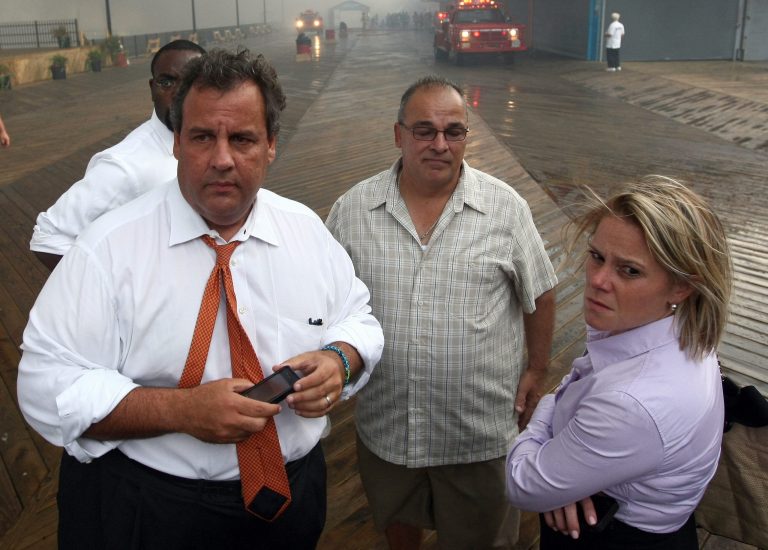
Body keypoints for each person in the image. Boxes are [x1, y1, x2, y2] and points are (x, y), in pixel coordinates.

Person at [18, 49, 384, 550]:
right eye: (202, 136)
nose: (222, 159)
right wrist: (180, 411)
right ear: (175, 143)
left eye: (243, 138)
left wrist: (340, 357)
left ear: (271, 145)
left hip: (291, 498)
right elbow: (45, 383)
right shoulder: (107, 248)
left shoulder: (306, 231)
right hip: (152, 510)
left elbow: (357, 317)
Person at [326, 75, 557, 550]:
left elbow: (541, 292)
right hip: (389, 426)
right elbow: (325, 299)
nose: (439, 144)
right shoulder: (353, 210)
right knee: (397, 526)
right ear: (398, 135)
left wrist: (537, 367)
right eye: (424, 130)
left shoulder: (504, 209)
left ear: (466, 136)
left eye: (453, 131)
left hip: (477, 434)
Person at [506, 176, 732, 549]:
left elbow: (523, 483)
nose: (597, 280)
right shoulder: (680, 331)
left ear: (681, 287)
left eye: (629, 271)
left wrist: (548, 408)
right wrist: (576, 476)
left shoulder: (632, 403)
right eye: (596, 256)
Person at [29, 39, 206, 271]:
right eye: (167, 81)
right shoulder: (126, 164)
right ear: (153, 88)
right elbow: (48, 237)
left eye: (191, 82)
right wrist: (112, 291)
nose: (178, 93)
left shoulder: (214, 143)